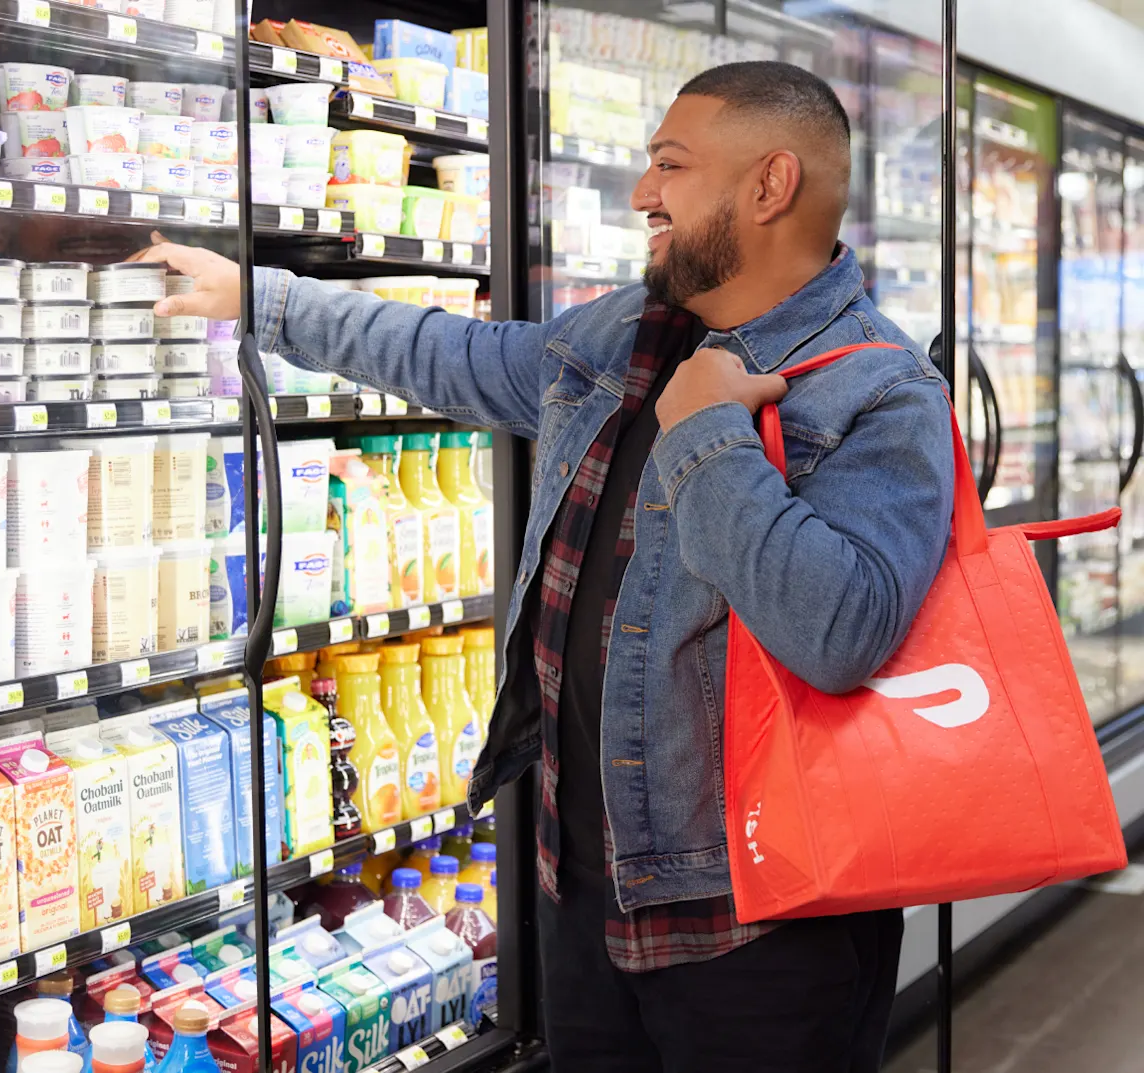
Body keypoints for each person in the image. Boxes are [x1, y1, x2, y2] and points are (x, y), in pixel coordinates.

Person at [133, 60, 952, 1073]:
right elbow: (455, 356)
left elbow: (842, 630)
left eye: (670, 165)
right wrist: (260, 298)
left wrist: (708, 435)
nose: (644, 193)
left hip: (766, 925)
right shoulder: (619, 334)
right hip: (582, 891)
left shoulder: (883, 388)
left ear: (769, 185)